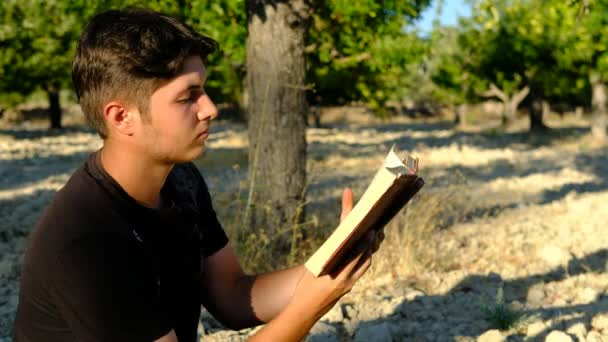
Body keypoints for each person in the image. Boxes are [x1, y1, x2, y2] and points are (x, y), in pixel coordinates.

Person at [14, 8, 382, 342]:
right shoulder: (86, 241)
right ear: (122, 117)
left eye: (203, 90)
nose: (210, 109)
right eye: (187, 96)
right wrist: (310, 306)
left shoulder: (181, 180)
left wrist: (332, 261)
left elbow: (234, 297)